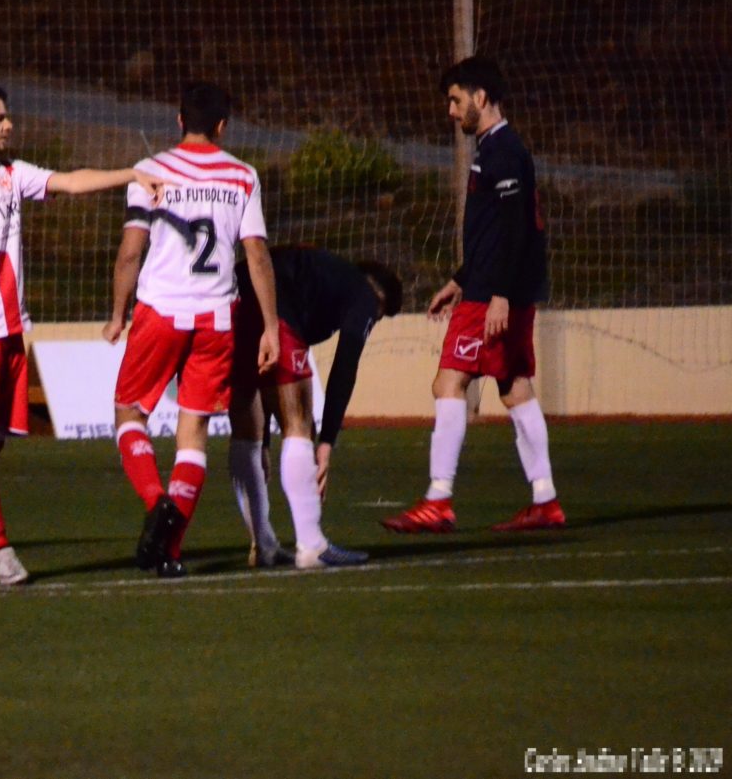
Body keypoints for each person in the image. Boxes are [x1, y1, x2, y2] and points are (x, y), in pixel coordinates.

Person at [0, 81, 161, 587]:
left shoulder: (11, 175)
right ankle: (2, 553)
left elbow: (72, 182)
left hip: (9, 331)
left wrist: (131, 173)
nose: (9, 125)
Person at [382, 55, 564, 534]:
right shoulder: (496, 148)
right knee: (513, 386)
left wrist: (497, 292)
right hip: (492, 286)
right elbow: (493, 231)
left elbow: (514, 227)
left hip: (493, 295)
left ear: (480, 98)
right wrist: (460, 278)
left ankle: (438, 499)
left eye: (455, 100)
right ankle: (545, 499)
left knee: (448, 383)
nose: (450, 110)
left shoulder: (502, 150)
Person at [105, 81, 280, 579]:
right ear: (223, 126)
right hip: (217, 317)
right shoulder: (242, 176)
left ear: (179, 120)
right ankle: (170, 550)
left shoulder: (151, 170)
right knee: (194, 433)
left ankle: (155, 500)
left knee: (129, 411)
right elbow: (257, 255)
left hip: (161, 311)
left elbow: (131, 252)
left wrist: (118, 312)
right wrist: (270, 326)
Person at [228, 246, 402, 568]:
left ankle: (263, 544)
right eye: (378, 316)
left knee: (247, 434)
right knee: (299, 424)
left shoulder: (325, 276)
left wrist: (264, 441)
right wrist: (326, 443)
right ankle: (312, 545)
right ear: (379, 299)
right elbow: (345, 366)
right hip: (276, 307)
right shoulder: (364, 293)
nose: (372, 322)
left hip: (230, 303)